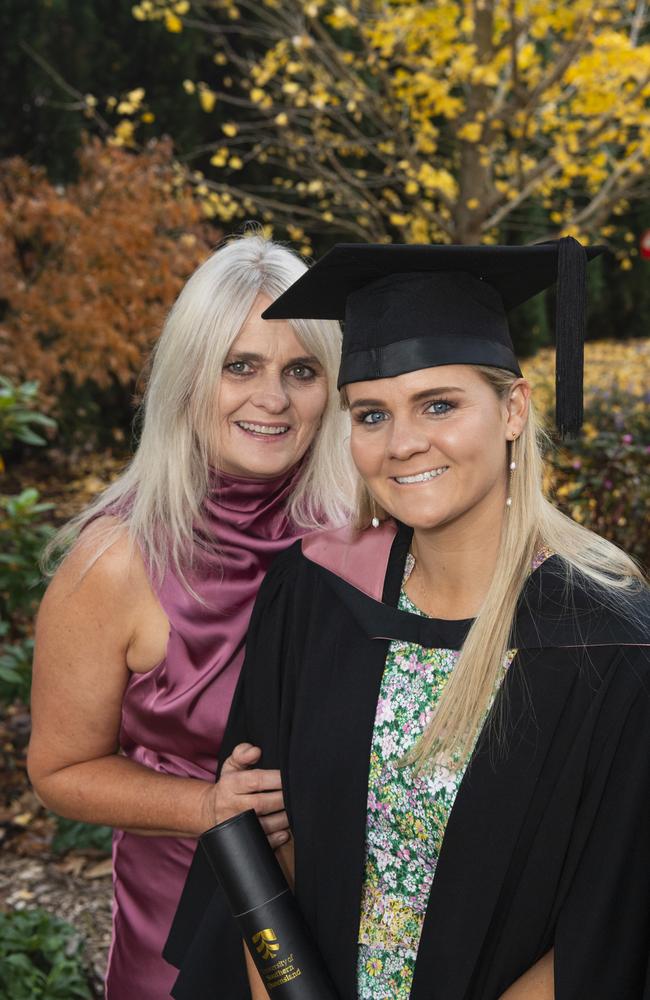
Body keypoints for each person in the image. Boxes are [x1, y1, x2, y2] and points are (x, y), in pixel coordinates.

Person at [166, 239, 650, 1000]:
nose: (403, 444)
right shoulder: (315, 594)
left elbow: (614, 924)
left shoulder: (611, 645)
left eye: (439, 404)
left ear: (514, 408)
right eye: (371, 413)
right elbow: (264, 859)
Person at [27, 233, 356, 999]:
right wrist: (207, 806)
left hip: (351, 924)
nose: (271, 399)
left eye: (300, 371)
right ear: (188, 376)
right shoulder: (114, 560)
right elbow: (59, 771)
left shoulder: (364, 540)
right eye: (240, 366)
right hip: (182, 931)